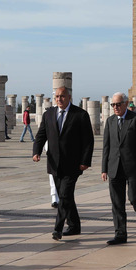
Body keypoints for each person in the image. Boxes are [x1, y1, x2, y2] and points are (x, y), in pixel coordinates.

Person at [33, 86, 94, 241]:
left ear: (69, 97)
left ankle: (58, 228)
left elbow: (88, 141)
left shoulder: (80, 115)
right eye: (57, 97)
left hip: (73, 164)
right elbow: (41, 135)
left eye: (62, 96)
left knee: (65, 195)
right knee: (65, 196)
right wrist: (36, 152)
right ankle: (74, 226)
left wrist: (85, 161)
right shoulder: (49, 114)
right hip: (55, 164)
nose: (59, 99)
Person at [101, 92, 136, 245]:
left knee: (134, 198)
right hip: (115, 168)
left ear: (126, 103)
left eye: (118, 104)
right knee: (117, 203)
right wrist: (104, 169)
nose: (115, 107)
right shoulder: (110, 121)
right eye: (113, 105)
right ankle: (120, 234)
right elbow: (106, 147)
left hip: (133, 169)